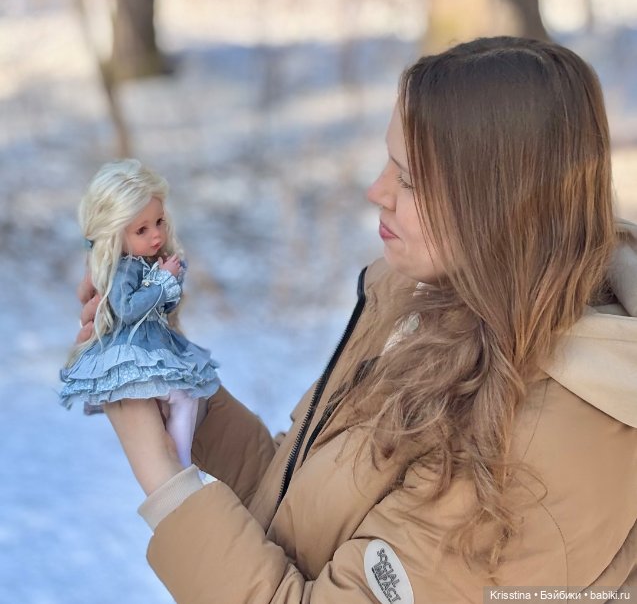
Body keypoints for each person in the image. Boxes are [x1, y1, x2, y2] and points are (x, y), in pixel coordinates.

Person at [76, 37, 637, 602]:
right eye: (389, 162)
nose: (377, 191)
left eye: (410, 178)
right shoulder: (430, 304)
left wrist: (164, 479)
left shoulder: (543, 449)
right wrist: (172, 372)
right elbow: (296, 510)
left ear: (502, 203)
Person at [61, 159, 220, 468]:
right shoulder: (123, 269)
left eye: (159, 222)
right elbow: (129, 309)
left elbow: (165, 308)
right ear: (114, 236)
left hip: (157, 346)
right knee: (180, 399)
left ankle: (182, 460)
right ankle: (180, 463)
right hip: (136, 352)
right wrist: (162, 283)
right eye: (142, 230)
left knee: (185, 399)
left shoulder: (146, 262)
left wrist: (171, 280)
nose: (156, 235)